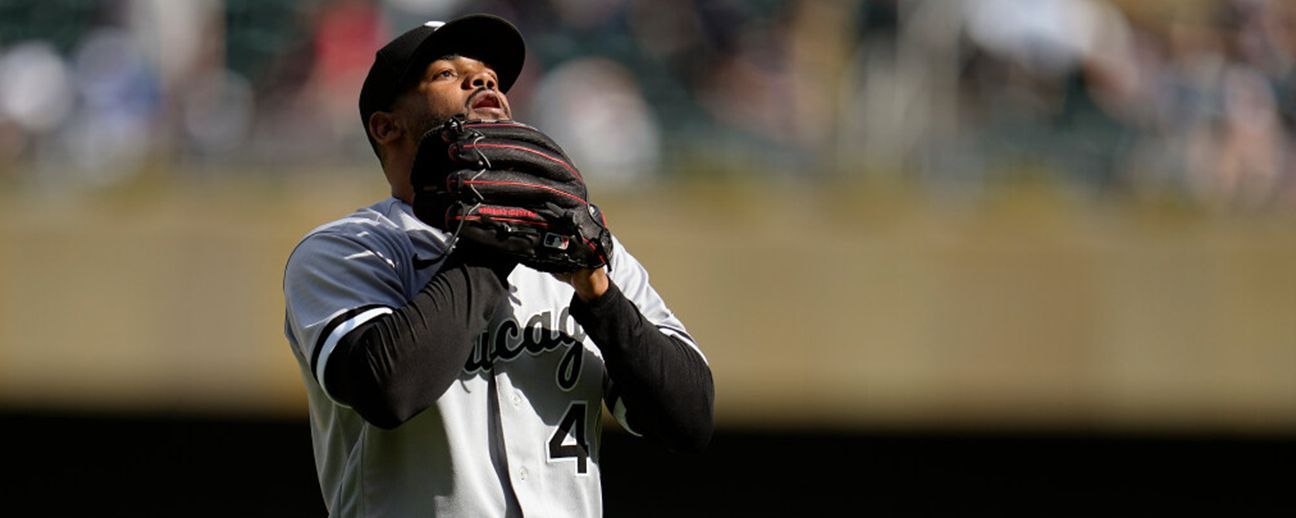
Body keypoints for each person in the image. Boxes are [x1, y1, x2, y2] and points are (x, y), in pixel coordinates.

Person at [282, 13, 714, 516]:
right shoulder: (347, 250)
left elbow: (689, 419)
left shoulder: (586, 251)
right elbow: (388, 389)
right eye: (447, 73)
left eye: (489, 74)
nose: (482, 79)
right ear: (386, 126)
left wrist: (600, 294)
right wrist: (494, 237)